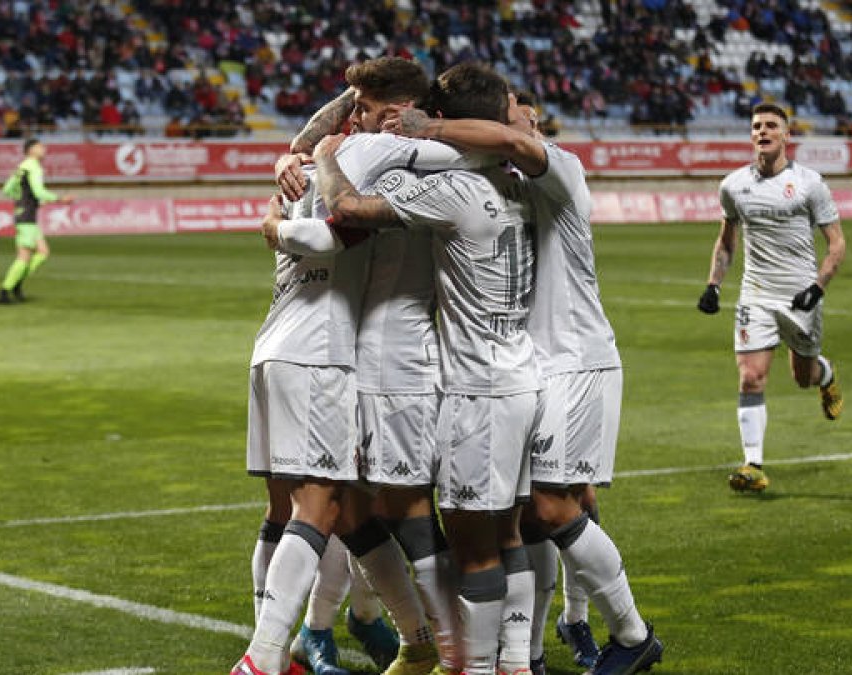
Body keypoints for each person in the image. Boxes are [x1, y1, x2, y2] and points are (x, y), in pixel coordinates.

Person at [382, 95, 663, 675]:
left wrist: (425, 125)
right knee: (528, 516)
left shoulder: (559, 166)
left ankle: (632, 635)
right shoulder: (507, 185)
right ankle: (528, 655)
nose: (505, 121)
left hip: (576, 361)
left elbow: (508, 143)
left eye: (512, 112)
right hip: (534, 367)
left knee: (554, 507)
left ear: (531, 125)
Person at [233, 58, 486, 675]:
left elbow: (319, 203)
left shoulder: (335, 157)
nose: (352, 112)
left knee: (340, 509)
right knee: (331, 506)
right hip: (327, 353)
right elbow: (336, 233)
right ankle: (269, 657)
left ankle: (418, 642)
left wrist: (279, 205)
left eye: (360, 102)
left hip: (284, 347)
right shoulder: (367, 149)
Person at [311, 62, 540, 675]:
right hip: (378, 358)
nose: (350, 119)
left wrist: (335, 147)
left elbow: (335, 188)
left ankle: (454, 650)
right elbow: (305, 143)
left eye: (362, 107)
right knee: (353, 505)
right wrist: (342, 122)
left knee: (409, 511)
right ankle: (427, 639)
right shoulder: (423, 153)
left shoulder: (433, 164)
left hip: (400, 359)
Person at [697, 103, 846, 493]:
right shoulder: (733, 186)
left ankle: (826, 375)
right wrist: (714, 284)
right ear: (751, 136)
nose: (762, 132)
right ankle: (753, 464)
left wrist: (818, 287)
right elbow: (726, 242)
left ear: (785, 135)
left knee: (803, 377)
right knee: (750, 376)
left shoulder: (810, 184)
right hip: (756, 294)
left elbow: (837, 245)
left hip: (801, 297)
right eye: (756, 126)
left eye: (770, 126)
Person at [0, 139, 74, 304]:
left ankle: (16, 283)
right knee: (24, 256)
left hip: (24, 213)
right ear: (31, 150)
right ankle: (5, 291)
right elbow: (38, 190)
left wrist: (25, 200)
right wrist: (60, 199)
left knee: (43, 252)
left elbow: (7, 189)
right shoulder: (34, 166)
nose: (44, 149)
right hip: (26, 217)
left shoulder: (21, 167)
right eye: (40, 147)